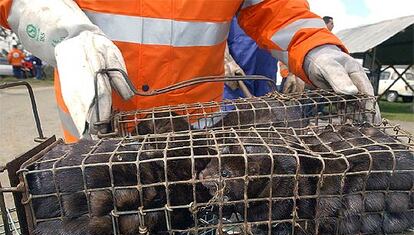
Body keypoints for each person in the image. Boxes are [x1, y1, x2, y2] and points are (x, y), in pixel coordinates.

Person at [0, 0, 379, 143]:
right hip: (95, 147)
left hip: (192, 157)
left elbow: (276, 7)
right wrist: (64, 34)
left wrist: (315, 47)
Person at [224, 17, 277, 99]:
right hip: (236, 72)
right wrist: (225, 61)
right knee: (235, 108)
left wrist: (292, 73)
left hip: (266, 71)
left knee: (267, 106)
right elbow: (213, 30)